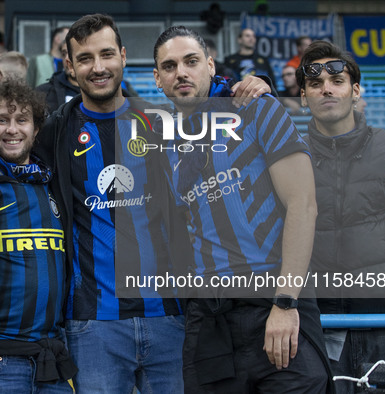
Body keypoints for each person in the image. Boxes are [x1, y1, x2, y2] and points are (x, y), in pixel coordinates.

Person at [152, 26, 332, 393]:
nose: (181, 73)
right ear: (157, 79)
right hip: (209, 317)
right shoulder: (164, 141)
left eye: (191, 61)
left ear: (211, 65)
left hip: (272, 302)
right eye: (169, 66)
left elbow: (304, 204)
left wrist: (285, 302)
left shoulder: (256, 109)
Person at [34, 14, 187, 393]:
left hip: (170, 317)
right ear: (69, 66)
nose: (98, 67)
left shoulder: (161, 124)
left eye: (106, 54)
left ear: (122, 55)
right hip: (93, 324)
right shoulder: (54, 131)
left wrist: (248, 86)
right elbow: (11, 156)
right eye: (85, 58)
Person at [298, 40, 385, 393]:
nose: (327, 89)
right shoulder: (291, 158)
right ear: (303, 97)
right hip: (320, 327)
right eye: (315, 84)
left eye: (337, 81)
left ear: (355, 90)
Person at [0, 79, 77, 393]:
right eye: (1, 120)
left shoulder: (51, 184)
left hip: (51, 360)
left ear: (36, 129)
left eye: (22, 120)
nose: (12, 129)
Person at [35, 41, 80, 113]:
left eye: (72, 53)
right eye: (64, 54)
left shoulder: (99, 90)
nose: (66, 59)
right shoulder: (43, 93)